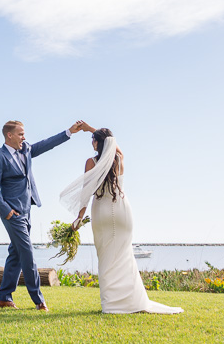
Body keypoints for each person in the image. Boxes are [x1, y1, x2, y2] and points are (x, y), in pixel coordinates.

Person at [61, 127, 183, 315]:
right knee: (125, 256)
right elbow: (115, 147)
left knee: (106, 257)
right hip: (121, 210)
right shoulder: (118, 160)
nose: (91, 142)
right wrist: (93, 130)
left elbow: (85, 193)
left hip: (101, 211)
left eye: (93, 139)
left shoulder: (90, 162)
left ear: (97, 143)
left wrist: (79, 217)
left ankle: (111, 304)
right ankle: (130, 301)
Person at [0, 119, 92, 311]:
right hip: (12, 213)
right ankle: (39, 300)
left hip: (27, 210)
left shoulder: (25, 149)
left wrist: (68, 132)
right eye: (20, 134)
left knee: (16, 254)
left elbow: (45, 145)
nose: (24, 137)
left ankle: (3, 297)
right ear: (9, 135)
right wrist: (7, 211)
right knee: (27, 253)